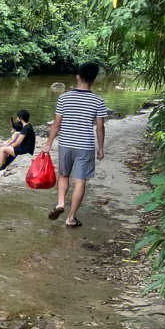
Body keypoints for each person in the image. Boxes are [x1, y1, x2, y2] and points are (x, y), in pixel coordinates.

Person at [41, 63, 108, 227]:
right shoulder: (98, 100)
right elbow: (100, 127)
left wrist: (48, 144)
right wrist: (101, 148)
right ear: (95, 79)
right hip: (84, 145)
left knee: (63, 175)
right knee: (80, 181)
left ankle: (61, 203)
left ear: (77, 76)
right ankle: (70, 218)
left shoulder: (64, 97)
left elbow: (56, 124)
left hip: (65, 143)